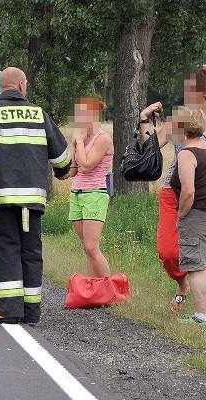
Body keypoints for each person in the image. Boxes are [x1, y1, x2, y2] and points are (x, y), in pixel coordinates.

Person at [0, 67, 71, 324]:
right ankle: (31, 312)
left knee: (6, 250)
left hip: (1, 201)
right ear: (21, 86)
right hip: (32, 203)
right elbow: (62, 156)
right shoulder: (39, 113)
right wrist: (62, 171)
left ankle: (9, 310)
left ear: (3, 87)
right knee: (31, 252)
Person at [139, 68, 206, 311]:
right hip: (173, 189)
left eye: (193, 88)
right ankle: (182, 284)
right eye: (186, 87)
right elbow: (153, 145)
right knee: (167, 251)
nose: (187, 92)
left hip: (201, 192)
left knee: (200, 249)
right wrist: (144, 119)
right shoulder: (179, 118)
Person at [168, 106, 206, 326]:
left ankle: (200, 316)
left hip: (197, 215)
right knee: (203, 265)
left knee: (195, 267)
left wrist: (181, 214)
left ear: (182, 129)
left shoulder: (186, 154)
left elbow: (188, 190)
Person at [67, 97, 113, 277]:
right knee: (86, 247)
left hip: (94, 193)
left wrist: (79, 143)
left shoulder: (102, 139)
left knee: (92, 247)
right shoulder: (81, 139)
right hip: (77, 193)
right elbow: (72, 171)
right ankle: (92, 287)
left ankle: (108, 288)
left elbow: (86, 166)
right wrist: (74, 145)